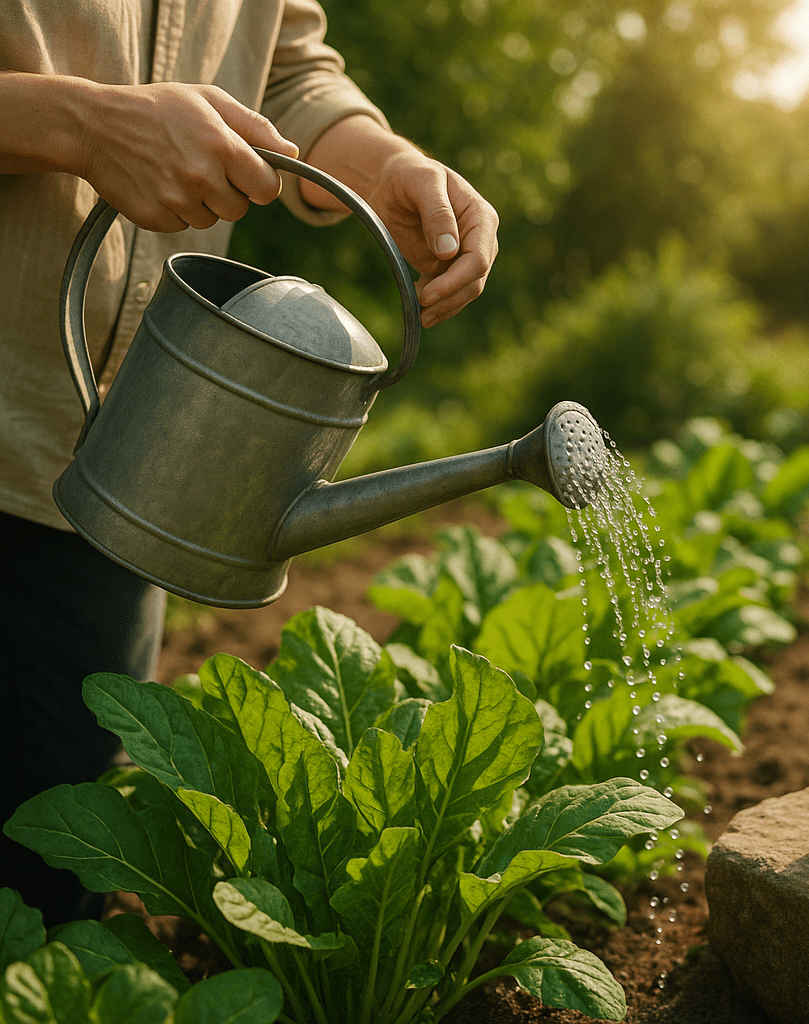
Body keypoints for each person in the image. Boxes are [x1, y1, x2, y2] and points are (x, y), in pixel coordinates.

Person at [0, 0, 499, 927]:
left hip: (115, 466)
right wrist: (83, 123)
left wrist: (380, 163)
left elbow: (287, 68)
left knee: (48, 897)